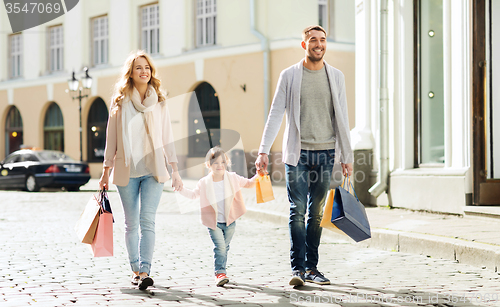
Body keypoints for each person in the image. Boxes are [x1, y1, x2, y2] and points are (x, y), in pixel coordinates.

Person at [255, 25, 354, 287]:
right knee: (297, 210)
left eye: (322, 40)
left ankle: (312, 268)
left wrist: (346, 155)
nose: (318, 44)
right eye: (313, 40)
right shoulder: (289, 76)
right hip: (297, 154)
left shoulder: (336, 76)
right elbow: (276, 113)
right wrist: (263, 150)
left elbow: (342, 118)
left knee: (316, 211)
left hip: (326, 153)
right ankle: (297, 269)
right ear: (304, 45)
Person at [98, 50, 183, 290]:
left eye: (147, 67)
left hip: (153, 171)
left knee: (148, 222)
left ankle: (145, 271)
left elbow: (167, 137)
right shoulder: (119, 103)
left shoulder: (160, 102)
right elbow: (111, 139)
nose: (144, 71)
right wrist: (105, 172)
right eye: (138, 68)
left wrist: (174, 169)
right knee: (131, 223)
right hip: (127, 172)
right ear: (131, 73)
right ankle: (135, 269)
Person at [177, 147, 258, 287]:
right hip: (213, 223)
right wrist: (180, 189)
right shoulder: (204, 182)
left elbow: (249, 184)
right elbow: (193, 195)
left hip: (230, 222)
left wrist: (259, 175)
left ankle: (221, 271)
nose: (220, 166)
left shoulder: (232, 178)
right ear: (208, 165)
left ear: (226, 163)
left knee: (225, 248)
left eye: (222, 162)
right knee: (220, 247)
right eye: (215, 163)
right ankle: (220, 273)